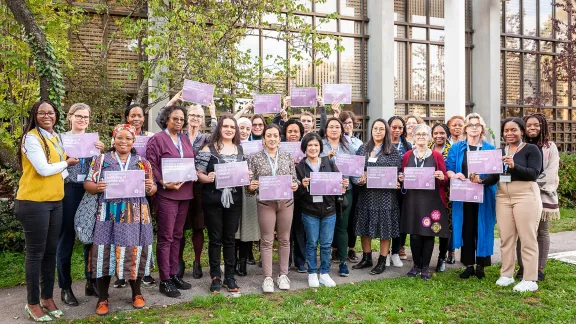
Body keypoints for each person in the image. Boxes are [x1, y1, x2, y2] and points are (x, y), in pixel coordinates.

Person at [15, 101, 79, 321]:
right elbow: (43, 169)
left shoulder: (56, 137)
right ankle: (32, 303)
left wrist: (63, 169)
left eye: (50, 112)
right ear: (34, 115)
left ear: (56, 115)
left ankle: (47, 298)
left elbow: (56, 172)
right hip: (33, 202)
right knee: (36, 254)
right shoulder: (31, 137)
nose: (46, 115)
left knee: (50, 252)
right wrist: (67, 164)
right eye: (41, 112)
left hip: (55, 201)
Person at [84, 124, 157, 315]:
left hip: (136, 214)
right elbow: (88, 184)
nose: (124, 142)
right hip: (108, 213)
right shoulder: (101, 160)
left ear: (134, 141)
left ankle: (137, 293)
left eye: (128, 138)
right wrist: (97, 187)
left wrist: (150, 187)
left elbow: (153, 189)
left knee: (134, 250)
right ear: (113, 139)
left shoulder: (142, 162)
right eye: (120, 138)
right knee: (104, 251)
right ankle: (102, 298)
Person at [57, 103, 104, 306]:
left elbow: (100, 167)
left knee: (90, 239)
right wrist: (65, 159)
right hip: (69, 190)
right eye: (79, 116)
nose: (82, 120)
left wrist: (102, 152)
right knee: (66, 238)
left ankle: (90, 281)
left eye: (86, 117)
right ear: (70, 117)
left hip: (90, 192)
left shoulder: (95, 141)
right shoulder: (60, 140)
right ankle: (65, 288)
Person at [146, 105, 195, 297]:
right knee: (166, 237)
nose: (179, 122)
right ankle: (164, 279)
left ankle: (174, 274)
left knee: (178, 235)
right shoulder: (157, 139)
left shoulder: (185, 138)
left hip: (185, 193)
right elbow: (150, 164)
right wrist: (162, 183)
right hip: (167, 194)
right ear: (167, 119)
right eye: (175, 118)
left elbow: (190, 161)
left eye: (182, 119)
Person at [445, 113, 498, 279]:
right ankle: (468, 265)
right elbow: (449, 168)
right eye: (471, 125)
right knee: (467, 229)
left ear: (482, 128)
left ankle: (481, 265)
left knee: (482, 228)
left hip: (484, 196)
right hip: (464, 195)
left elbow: (495, 173)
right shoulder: (457, 147)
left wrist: (482, 179)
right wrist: (454, 175)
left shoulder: (489, 149)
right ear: (466, 128)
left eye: (477, 125)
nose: (474, 127)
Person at [247, 124, 299, 293]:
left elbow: (295, 180)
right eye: (268, 135)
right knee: (267, 240)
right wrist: (251, 187)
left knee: (284, 239)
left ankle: (283, 274)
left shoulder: (287, 157)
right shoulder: (254, 158)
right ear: (263, 139)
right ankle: (267, 277)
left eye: (275, 136)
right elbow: (249, 186)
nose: (272, 138)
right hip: (266, 203)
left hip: (286, 203)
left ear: (279, 138)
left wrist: (295, 185)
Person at [195, 117, 245, 293]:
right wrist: (206, 178)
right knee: (215, 239)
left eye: (232, 127)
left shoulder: (240, 149)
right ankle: (216, 277)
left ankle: (230, 276)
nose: (229, 129)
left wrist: (247, 174)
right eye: (226, 126)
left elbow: (242, 174)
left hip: (234, 199)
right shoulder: (207, 149)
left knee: (230, 239)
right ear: (219, 128)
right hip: (212, 199)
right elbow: (198, 173)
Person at [495, 117, 543, 292]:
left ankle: (530, 279)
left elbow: (533, 174)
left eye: (513, 130)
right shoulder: (500, 151)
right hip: (503, 196)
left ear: (522, 131)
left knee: (527, 237)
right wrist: (480, 179)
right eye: (506, 130)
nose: (509, 133)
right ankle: (506, 274)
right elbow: (495, 176)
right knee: (506, 237)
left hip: (525, 195)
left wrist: (514, 165)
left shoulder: (532, 149)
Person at [295, 132, 348, 288]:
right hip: (309, 211)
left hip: (329, 210)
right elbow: (296, 194)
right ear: (304, 148)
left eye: (316, 145)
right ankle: (312, 272)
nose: (313, 148)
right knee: (311, 243)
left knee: (326, 244)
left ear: (320, 147)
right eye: (310, 145)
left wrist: (342, 185)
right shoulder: (299, 167)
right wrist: (302, 186)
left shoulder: (328, 162)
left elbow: (338, 184)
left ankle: (324, 273)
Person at [351, 119, 402, 275]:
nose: (378, 131)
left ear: (386, 131)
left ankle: (381, 260)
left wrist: (396, 180)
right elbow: (355, 172)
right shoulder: (362, 149)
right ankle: (367, 258)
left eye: (381, 129)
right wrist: (359, 179)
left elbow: (397, 172)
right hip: (366, 195)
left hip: (386, 197)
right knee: (365, 226)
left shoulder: (392, 151)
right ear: (371, 130)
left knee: (385, 228)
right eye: (375, 128)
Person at [400, 124, 449, 280]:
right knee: (414, 234)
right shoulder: (408, 155)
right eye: (418, 134)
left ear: (429, 137)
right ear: (414, 137)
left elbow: (445, 179)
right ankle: (416, 265)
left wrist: (443, 177)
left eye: (424, 134)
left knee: (429, 234)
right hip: (412, 200)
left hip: (431, 200)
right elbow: (404, 177)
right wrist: (401, 178)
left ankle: (426, 267)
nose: (421, 137)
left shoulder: (436, 156)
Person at [516, 113, 560, 282]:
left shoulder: (550, 147)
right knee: (523, 232)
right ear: (524, 128)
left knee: (542, 232)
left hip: (542, 195)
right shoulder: (519, 146)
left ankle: (539, 268)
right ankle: (523, 267)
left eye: (536, 125)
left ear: (543, 127)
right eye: (529, 125)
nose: (532, 128)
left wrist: (530, 182)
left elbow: (550, 173)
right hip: (522, 195)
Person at [177, 101, 218, 279]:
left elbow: (218, 134)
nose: (195, 118)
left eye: (199, 116)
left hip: (200, 187)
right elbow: (159, 119)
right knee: (179, 227)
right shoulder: (178, 135)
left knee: (198, 227)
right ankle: (178, 262)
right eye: (192, 115)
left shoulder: (205, 138)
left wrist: (212, 112)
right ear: (187, 118)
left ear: (202, 120)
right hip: (179, 186)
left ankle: (197, 261)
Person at [322, 118, 354, 277]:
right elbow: (314, 166)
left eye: (337, 127)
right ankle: (323, 263)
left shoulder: (349, 147)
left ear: (342, 130)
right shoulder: (319, 145)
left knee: (342, 227)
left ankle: (343, 262)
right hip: (325, 192)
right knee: (324, 227)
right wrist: (325, 159)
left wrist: (355, 179)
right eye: (331, 127)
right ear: (326, 129)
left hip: (344, 191)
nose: (334, 129)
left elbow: (355, 172)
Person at [334, 108, 363, 263]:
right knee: (337, 220)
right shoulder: (334, 143)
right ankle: (336, 249)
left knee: (351, 218)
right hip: (338, 185)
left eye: (350, 122)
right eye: (344, 123)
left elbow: (357, 166)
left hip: (353, 184)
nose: (347, 125)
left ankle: (351, 248)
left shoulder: (357, 143)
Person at [235, 116, 261, 276]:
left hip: (250, 191)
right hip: (234, 190)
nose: (244, 131)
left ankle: (243, 261)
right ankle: (235, 260)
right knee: (235, 227)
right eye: (241, 128)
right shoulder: (230, 146)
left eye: (247, 129)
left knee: (248, 226)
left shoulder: (257, 147)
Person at [428, 123, 454, 272]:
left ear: (447, 134)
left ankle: (441, 258)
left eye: (442, 133)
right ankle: (426, 257)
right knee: (430, 224)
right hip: (429, 193)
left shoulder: (452, 150)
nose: (438, 136)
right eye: (436, 133)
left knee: (445, 227)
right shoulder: (427, 148)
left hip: (448, 193)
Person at [283, 119, 307, 273]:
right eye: (290, 131)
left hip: (301, 195)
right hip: (283, 193)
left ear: (301, 134)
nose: (293, 134)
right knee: (286, 229)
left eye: (296, 131)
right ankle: (286, 260)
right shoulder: (279, 148)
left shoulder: (306, 148)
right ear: (285, 133)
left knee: (299, 228)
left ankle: (300, 261)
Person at [388, 116, 412, 264]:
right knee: (388, 219)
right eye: (394, 127)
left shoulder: (407, 145)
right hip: (386, 189)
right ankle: (385, 252)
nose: (397, 130)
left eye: (400, 128)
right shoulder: (383, 144)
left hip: (403, 189)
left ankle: (397, 250)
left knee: (400, 219)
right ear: (388, 127)